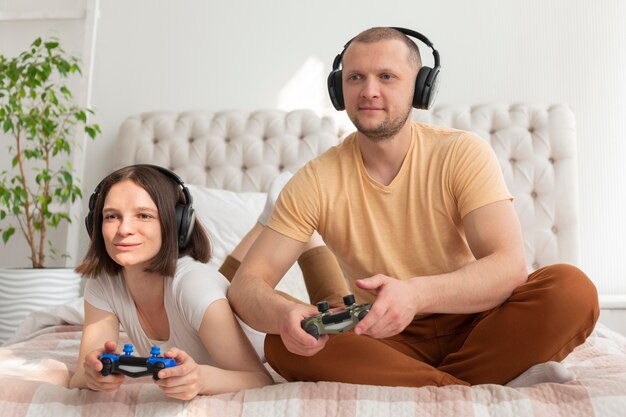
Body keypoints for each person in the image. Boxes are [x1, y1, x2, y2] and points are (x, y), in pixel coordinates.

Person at [227, 27, 600, 388]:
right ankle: (467, 384)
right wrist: (283, 314)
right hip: (384, 336)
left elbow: (508, 268)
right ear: (339, 90)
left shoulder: (461, 153)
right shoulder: (314, 179)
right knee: (281, 345)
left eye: (386, 76)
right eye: (355, 77)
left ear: (421, 87)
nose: (369, 91)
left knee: (572, 289)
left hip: (479, 322)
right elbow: (246, 285)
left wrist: (416, 294)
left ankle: (426, 382)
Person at [69, 165, 273, 399]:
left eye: (144, 215)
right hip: (197, 290)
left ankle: (276, 221)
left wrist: (201, 379)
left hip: (261, 332)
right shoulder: (103, 284)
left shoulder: (194, 284)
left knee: (218, 280)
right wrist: (93, 375)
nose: (124, 229)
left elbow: (259, 379)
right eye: (112, 216)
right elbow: (80, 378)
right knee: (223, 276)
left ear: (176, 224)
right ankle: (264, 220)